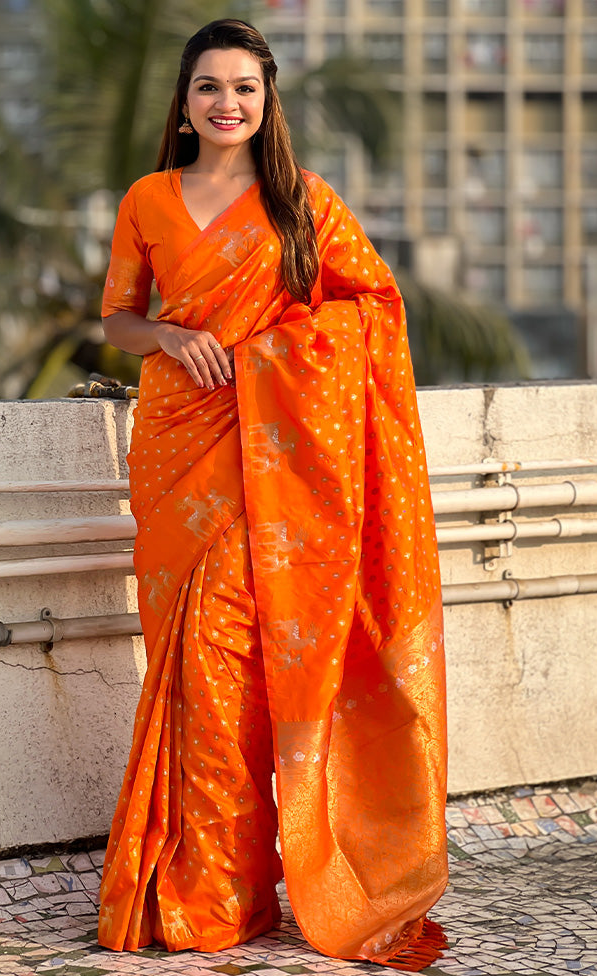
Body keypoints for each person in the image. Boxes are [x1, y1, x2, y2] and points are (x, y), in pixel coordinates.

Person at [97, 18, 448, 971]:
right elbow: (120, 320)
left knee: (241, 672)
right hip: (177, 454)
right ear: (184, 100)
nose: (226, 104)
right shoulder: (148, 199)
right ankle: (202, 890)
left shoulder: (301, 205)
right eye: (209, 87)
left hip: (275, 473)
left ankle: (225, 893)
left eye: (244, 88)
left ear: (266, 100)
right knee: (190, 673)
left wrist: (268, 359)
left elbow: (372, 308)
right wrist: (170, 339)